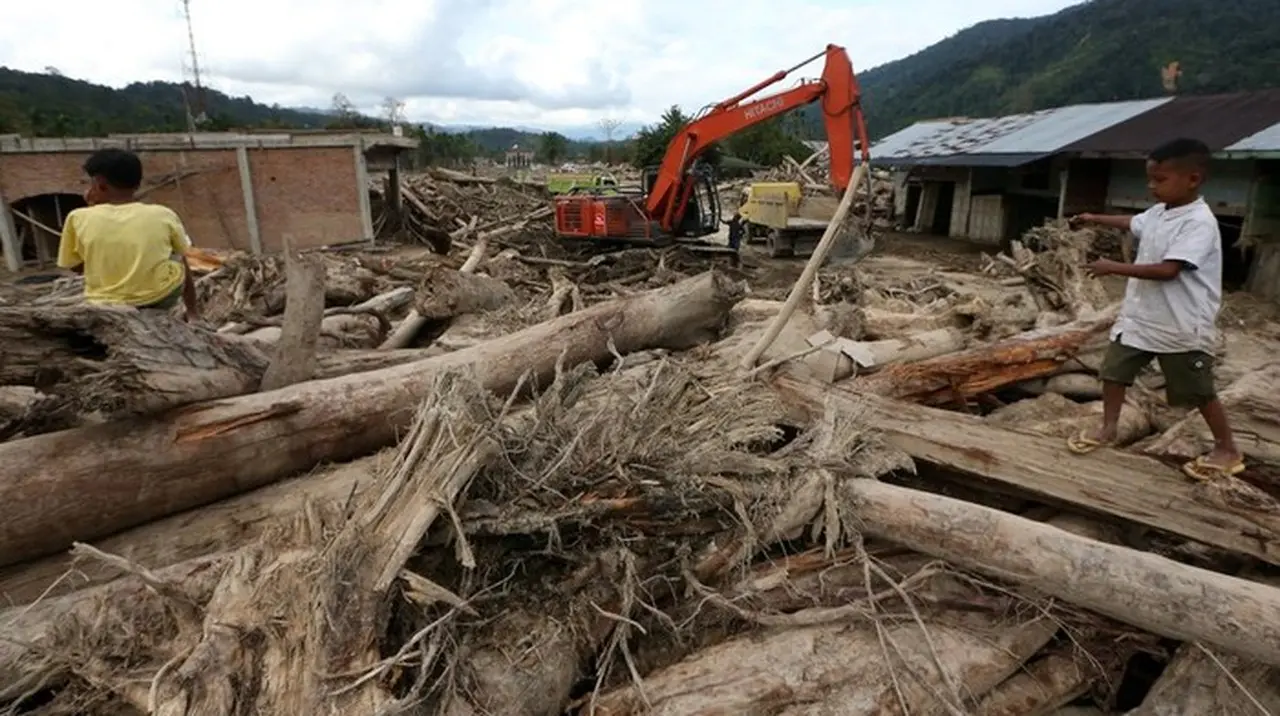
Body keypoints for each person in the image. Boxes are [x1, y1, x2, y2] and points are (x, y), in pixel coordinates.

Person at [1067, 137, 1241, 480]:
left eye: (1160, 180)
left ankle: (1227, 448)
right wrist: (1093, 218)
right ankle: (1109, 428)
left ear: (1193, 179)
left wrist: (1112, 267)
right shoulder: (1161, 212)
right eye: (1150, 179)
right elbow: (1134, 223)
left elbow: (1168, 270)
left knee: (1198, 390)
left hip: (1179, 325)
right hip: (1142, 318)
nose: (1151, 186)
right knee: (1114, 372)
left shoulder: (1199, 223)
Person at [56, 148, 199, 320]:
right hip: (157, 297)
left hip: (102, 301)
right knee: (178, 255)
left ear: (99, 184)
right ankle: (193, 313)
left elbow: (75, 266)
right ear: (137, 184)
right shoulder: (163, 214)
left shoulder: (78, 217)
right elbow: (185, 258)